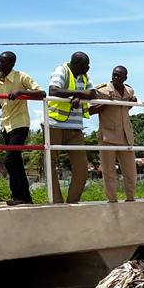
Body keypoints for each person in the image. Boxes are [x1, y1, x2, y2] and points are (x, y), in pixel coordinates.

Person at [0, 51, 45, 205]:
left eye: (3, 62)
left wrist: (20, 92)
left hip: (20, 123)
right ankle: (23, 198)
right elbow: (5, 102)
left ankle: (19, 196)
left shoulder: (21, 77)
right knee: (16, 162)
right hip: (5, 125)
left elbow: (41, 93)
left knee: (10, 160)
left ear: (12, 64)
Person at [47, 51, 97, 204]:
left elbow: (93, 93)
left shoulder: (84, 76)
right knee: (50, 163)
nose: (88, 68)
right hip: (55, 124)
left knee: (82, 167)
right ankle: (56, 201)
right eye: (85, 65)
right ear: (76, 64)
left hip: (75, 128)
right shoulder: (61, 70)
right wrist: (79, 93)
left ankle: (72, 202)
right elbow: (53, 90)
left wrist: (79, 96)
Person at [89, 66, 137, 203]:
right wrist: (106, 103)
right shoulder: (102, 90)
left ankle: (131, 199)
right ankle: (112, 201)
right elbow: (90, 110)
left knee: (130, 172)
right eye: (114, 75)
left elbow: (124, 108)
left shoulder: (129, 91)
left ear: (125, 78)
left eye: (119, 75)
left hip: (126, 136)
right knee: (109, 172)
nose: (115, 77)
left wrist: (132, 103)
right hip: (107, 136)